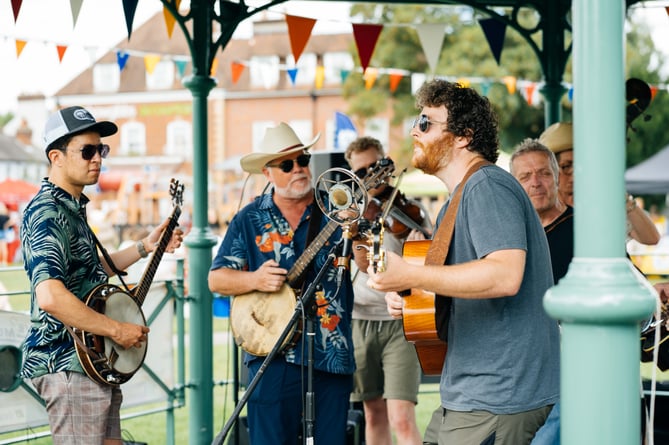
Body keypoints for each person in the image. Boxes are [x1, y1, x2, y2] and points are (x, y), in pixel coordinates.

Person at [375, 79, 560, 445]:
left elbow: (505, 275)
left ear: (462, 136)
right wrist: (410, 294)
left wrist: (411, 272)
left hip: (498, 395)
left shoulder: (486, 186)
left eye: (426, 123)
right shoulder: (459, 198)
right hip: (471, 395)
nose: (415, 130)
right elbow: (451, 282)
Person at [20, 106, 184, 445]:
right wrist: (116, 329)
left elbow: (89, 267)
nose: (97, 158)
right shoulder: (47, 212)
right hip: (68, 359)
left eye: (101, 150)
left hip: (92, 361)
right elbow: (49, 295)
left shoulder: (71, 207)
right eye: (87, 150)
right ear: (57, 157)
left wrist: (146, 246)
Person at [208, 122, 355, 445]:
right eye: (287, 165)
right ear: (268, 173)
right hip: (272, 355)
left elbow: (370, 263)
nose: (299, 169)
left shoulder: (337, 209)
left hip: (330, 349)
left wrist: (356, 232)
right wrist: (255, 279)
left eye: (303, 160)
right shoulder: (249, 218)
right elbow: (217, 279)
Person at [345, 136, 429, 445]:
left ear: (387, 166)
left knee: (402, 418)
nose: (371, 174)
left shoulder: (412, 211)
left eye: (375, 166)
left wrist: (419, 239)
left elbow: (427, 263)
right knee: (373, 413)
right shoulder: (350, 216)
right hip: (360, 320)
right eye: (362, 170)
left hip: (399, 321)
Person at [509, 138, 577, 445]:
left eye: (544, 173)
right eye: (525, 177)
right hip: (525, 360)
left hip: (575, 355)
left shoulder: (586, 227)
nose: (535, 183)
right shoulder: (509, 238)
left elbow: (629, 275)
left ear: (557, 177)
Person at [539, 122, 660, 246]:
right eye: (566, 166)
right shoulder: (542, 210)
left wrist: (619, 194)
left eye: (581, 166)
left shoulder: (601, 205)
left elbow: (651, 238)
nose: (575, 175)